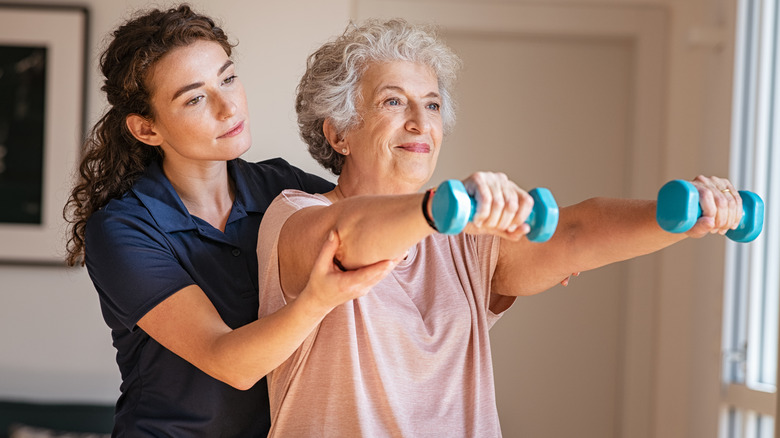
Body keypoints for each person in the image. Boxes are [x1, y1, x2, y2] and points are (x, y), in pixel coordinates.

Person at [255, 18, 744, 437]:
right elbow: (348, 238)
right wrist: (444, 208)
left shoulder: (462, 237)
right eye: (392, 102)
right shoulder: (295, 215)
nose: (420, 123)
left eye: (431, 105)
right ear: (338, 132)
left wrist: (682, 216)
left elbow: (574, 233)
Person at [62, 5, 396, 436]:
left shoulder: (285, 188)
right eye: (195, 98)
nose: (228, 107)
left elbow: (365, 216)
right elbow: (228, 362)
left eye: (229, 78)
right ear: (147, 130)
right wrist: (317, 300)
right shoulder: (124, 228)